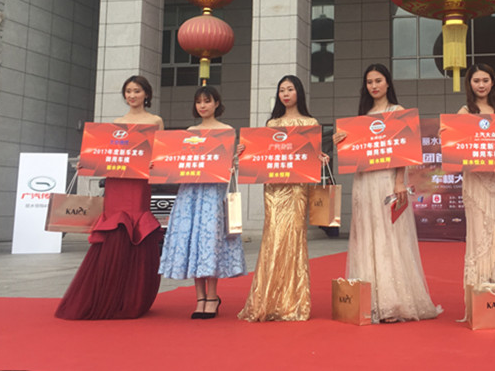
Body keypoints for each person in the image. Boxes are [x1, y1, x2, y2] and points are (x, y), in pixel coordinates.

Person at [333, 63, 440, 323]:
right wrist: (342, 142)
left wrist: (399, 181)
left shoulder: (397, 112)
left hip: (387, 181)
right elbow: (355, 153)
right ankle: (368, 300)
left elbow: (404, 150)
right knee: (367, 235)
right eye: (369, 82)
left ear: (388, 83)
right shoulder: (363, 116)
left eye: (378, 80)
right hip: (364, 182)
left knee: (389, 236)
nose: (374, 86)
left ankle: (392, 301)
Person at [56, 75, 164, 320]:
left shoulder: (155, 121)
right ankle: (107, 294)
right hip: (117, 182)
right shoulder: (117, 123)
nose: (132, 95)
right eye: (128, 91)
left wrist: (156, 163)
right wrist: (87, 162)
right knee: (115, 228)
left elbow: (159, 153)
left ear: (146, 94)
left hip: (138, 182)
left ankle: (131, 296)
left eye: (137, 91)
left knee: (136, 228)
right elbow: (106, 152)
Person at [238, 75, 328, 322]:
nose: (286, 94)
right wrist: (244, 152)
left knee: (294, 238)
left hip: (297, 189)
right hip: (274, 189)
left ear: (299, 92)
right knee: (273, 238)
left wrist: (320, 158)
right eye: (281, 90)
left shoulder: (310, 123)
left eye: (290, 89)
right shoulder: (272, 123)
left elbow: (311, 156)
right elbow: (263, 153)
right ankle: (267, 300)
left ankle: (292, 302)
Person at [158, 86, 246, 319]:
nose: (203, 106)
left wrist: (237, 157)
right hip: (190, 191)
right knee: (193, 240)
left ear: (217, 103)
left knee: (210, 241)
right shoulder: (189, 132)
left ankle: (213, 296)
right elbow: (178, 161)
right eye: (199, 102)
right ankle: (200, 298)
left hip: (213, 192)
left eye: (207, 101)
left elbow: (230, 165)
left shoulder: (226, 131)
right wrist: (160, 164)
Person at [457, 64, 495, 311]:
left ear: (493, 83)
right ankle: (477, 296)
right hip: (475, 182)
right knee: (479, 233)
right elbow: (454, 144)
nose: (481, 85)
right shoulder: (464, 112)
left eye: (485, 80)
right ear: (470, 84)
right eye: (476, 80)